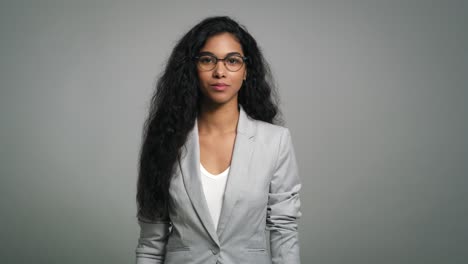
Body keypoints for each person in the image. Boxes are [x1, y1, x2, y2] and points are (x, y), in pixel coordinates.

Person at [135, 16, 302, 264]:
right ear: (192, 68)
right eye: (207, 60)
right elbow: (151, 243)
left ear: (246, 70)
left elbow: (284, 233)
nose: (220, 71)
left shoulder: (275, 141)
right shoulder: (165, 140)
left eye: (232, 61)